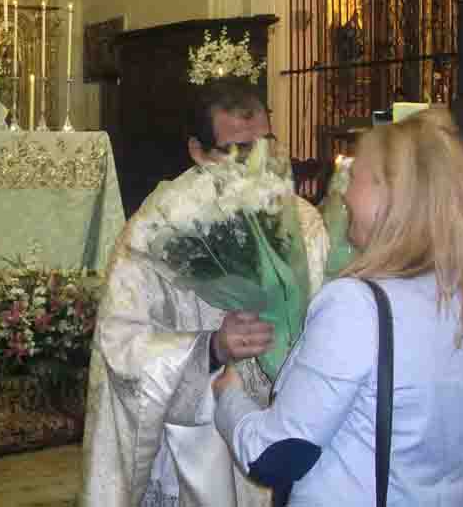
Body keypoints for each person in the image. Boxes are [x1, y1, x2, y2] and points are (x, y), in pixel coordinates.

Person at [213, 110, 463, 506]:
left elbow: (275, 455)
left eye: (357, 176)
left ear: (391, 194)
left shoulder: (357, 305)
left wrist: (229, 397)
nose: (344, 192)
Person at [79, 77, 329, 507]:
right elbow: (121, 346)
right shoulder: (158, 227)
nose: (257, 165)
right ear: (197, 151)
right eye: (237, 152)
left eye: (266, 145)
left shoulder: (303, 221)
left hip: (288, 428)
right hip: (201, 444)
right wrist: (209, 349)